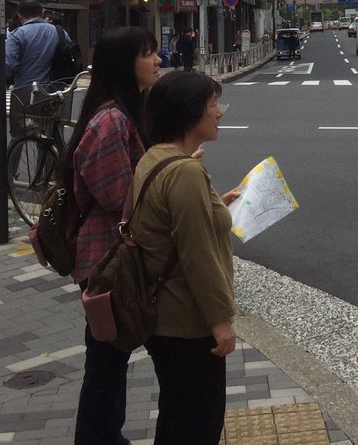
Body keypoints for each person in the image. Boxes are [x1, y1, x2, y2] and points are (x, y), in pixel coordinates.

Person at [136, 73, 239, 445]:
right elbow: (198, 256)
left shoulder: (155, 157)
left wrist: (215, 206)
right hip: (187, 322)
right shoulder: (185, 172)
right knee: (198, 425)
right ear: (189, 112)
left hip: (162, 320)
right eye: (212, 105)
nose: (219, 113)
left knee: (176, 417)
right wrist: (220, 321)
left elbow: (169, 225)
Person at [70, 27, 161, 445]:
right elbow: (117, 195)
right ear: (125, 65)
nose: (157, 61)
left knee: (110, 359)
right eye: (147, 54)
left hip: (111, 255)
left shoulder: (124, 113)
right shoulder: (111, 120)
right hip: (105, 260)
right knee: (105, 362)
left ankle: (106, 436)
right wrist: (167, 176)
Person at [6, 0, 73, 87]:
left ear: (20, 16)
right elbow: (70, 56)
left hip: (25, 88)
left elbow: (9, 65)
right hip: (55, 88)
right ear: (42, 13)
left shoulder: (16, 35)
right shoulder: (60, 32)